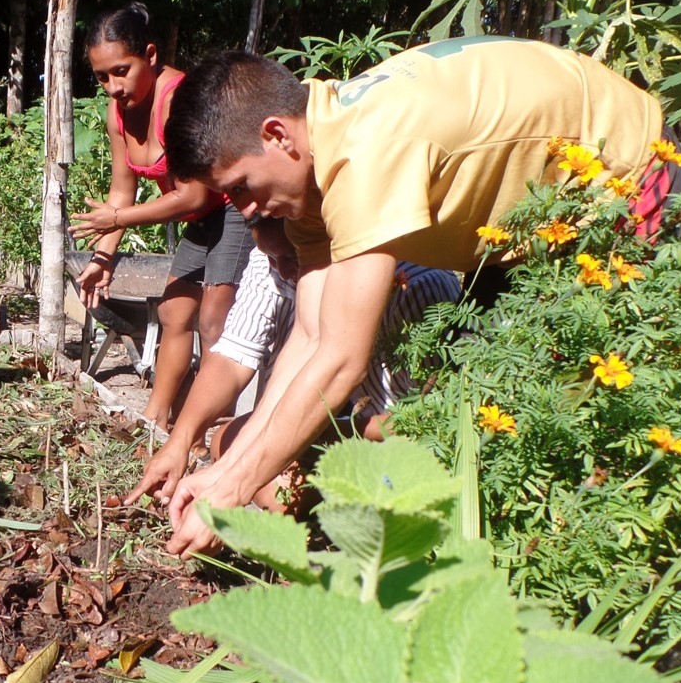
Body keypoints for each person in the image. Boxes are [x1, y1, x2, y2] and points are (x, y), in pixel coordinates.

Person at [159, 37, 681, 557]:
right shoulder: (315, 163)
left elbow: (342, 358)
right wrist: (225, 474)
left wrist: (231, 489)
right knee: (495, 416)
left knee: (580, 415)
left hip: (628, 181)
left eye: (242, 186)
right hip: (528, 226)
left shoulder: (365, 153)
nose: (244, 210)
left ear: (277, 135)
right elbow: (312, 333)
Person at [124, 217, 460, 513]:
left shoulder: (416, 289)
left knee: (279, 493)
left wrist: (324, 430)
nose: (282, 271)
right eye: (273, 258)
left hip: (391, 445)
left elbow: (423, 423)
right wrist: (179, 442)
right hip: (333, 427)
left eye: (290, 256)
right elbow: (231, 358)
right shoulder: (273, 259)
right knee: (226, 441)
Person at [69, 3, 253, 429]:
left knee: (213, 319)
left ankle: (210, 428)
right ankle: (155, 417)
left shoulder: (177, 99)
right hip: (203, 217)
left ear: (150, 55)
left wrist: (116, 221)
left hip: (236, 208)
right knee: (173, 313)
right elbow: (122, 190)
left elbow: (192, 194)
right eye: (101, 77)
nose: (112, 86)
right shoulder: (118, 112)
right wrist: (102, 259)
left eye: (121, 70)